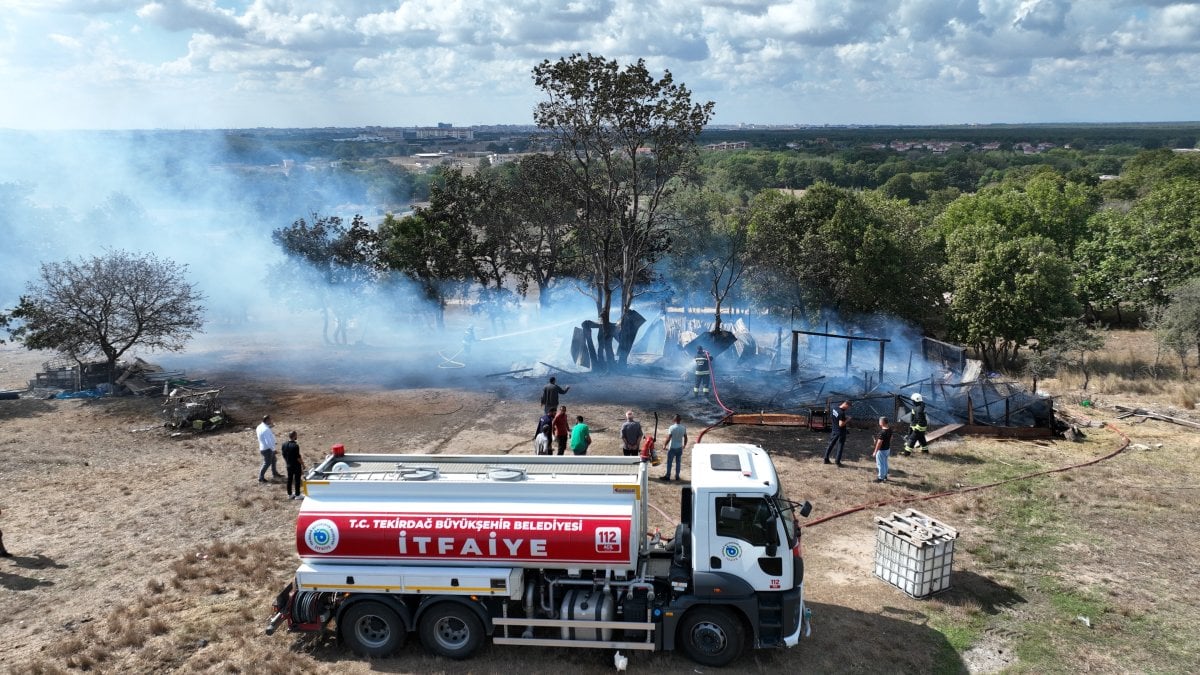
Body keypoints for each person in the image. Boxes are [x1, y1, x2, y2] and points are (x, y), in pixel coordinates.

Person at [823, 401, 852, 466]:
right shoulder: (841, 413)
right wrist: (847, 419)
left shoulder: (835, 408)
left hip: (834, 429)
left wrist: (843, 418)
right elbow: (841, 424)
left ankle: (826, 459)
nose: (848, 409)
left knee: (831, 444)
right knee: (840, 446)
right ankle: (837, 461)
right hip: (840, 432)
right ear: (846, 404)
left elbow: (834, 417)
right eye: (848, 407)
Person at [256, 415, 283, 482]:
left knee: (274, 460)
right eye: (270, 420)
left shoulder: (259, 427)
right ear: (267, 420)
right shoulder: (266, 429)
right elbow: (268, 441)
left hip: (264, 447)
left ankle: (275, 474)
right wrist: (273, 449)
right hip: (267, 449)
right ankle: (260, 478)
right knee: (267, 463)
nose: (271, 421)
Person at [280, 431, 305, 500]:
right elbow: (298, 457)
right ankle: (297, 495)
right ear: (294, 436)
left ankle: (290, 494)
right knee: (297, 480)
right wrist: (303, 464)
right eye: (296, 435)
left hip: (288, 465)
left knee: (289, 479)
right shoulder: (295, 445)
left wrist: (287, 461)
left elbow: (283, 454)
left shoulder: (284, 444)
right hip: (296, 465)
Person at [664, 414, 688, 481]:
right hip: (679, 447)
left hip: (672, 447)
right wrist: (684, 445)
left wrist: (664, 445)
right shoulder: (683, 428)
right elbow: (686, 437)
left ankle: (668, 476)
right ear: (680, 420)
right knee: (678, 462)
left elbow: (669, 438)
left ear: (674, 419)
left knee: (669, 462)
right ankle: (677, 476)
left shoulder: (672, 427)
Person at [872, 417, 893, 483]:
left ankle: (880, 478)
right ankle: (885, 476)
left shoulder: (882, 432)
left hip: (881, 450)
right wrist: (887, 443)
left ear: (882, 423)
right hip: (887, 449)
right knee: (885, 463)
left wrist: (875, 451)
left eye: (879, 421)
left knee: (880, 464)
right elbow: (891, 438)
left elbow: (879, 443)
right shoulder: (889, 429)